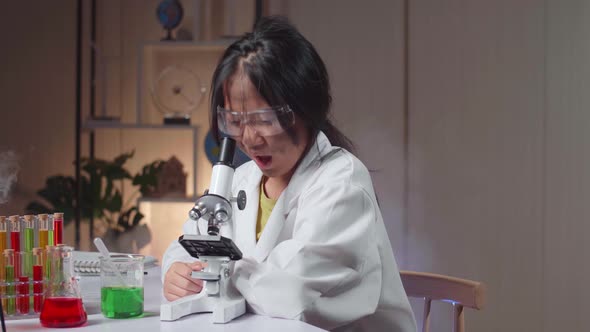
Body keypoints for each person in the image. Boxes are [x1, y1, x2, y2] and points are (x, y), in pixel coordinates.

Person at [161, 15, 416, 332]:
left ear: (306, 109)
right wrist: (176, 273)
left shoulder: (342, 182)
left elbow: (296, 293)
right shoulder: (239, 180)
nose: (250, 139)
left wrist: (223, 272)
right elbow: (186, 246)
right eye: (235, 121)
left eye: (265, 119)